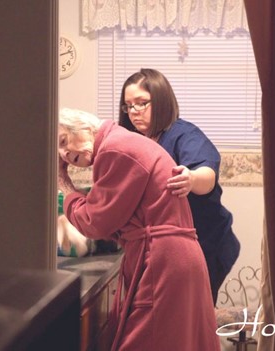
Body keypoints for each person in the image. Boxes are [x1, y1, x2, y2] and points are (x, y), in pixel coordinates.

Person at [57, 108, 219, 351]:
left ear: (84, 127)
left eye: (63, 141)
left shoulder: (114, 149)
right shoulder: (120, 142)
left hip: (163, 260)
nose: (64, 154)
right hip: (174, 257)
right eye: (59, 152)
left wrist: (63, 183)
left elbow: (94, 221)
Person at [118, 68, 240, 305]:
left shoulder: (184, 134)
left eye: (142, 103)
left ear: (162, 100)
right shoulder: (132, 140)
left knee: (191, 318)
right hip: (165, 249)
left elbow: (207, 175)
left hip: (207, 245)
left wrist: (191, 179)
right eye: (128, 105)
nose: (134, 112)